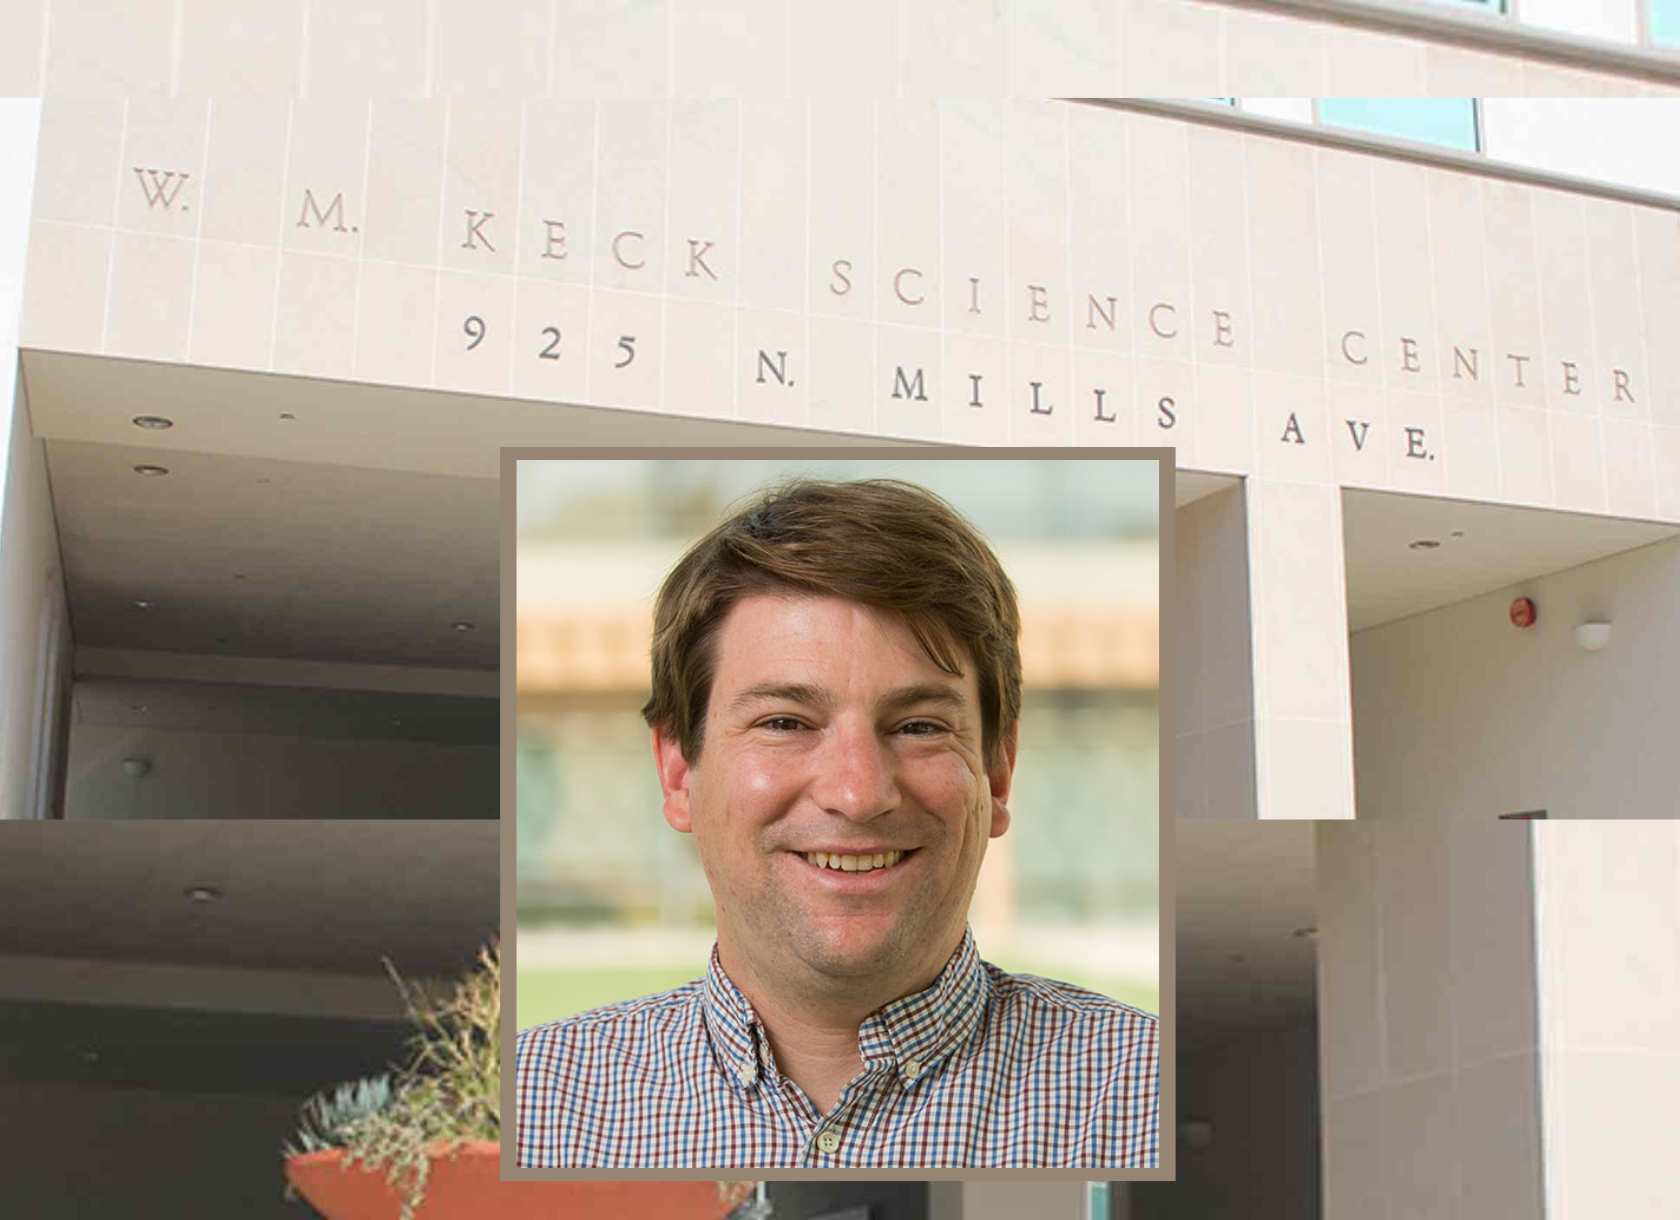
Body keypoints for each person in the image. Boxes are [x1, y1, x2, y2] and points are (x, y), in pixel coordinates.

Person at [515, 477, 1158, 1168]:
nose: (857, 793)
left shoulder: (1152, 1092)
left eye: (918, 726)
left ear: (998, 771)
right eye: (785, 722)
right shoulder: (530, 1100)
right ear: (678, 771)